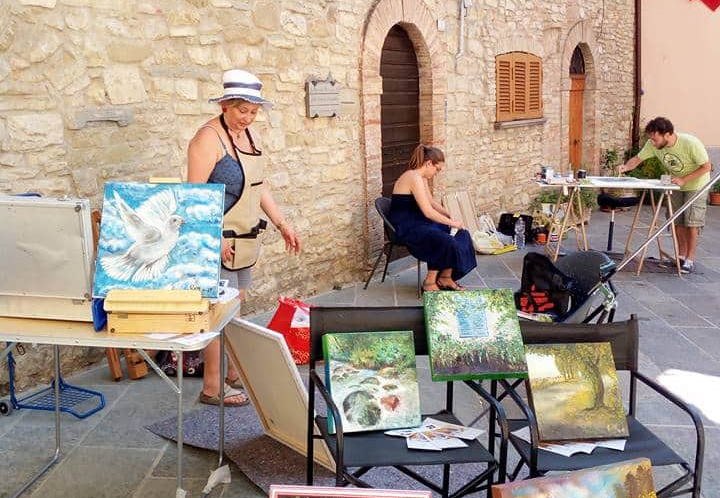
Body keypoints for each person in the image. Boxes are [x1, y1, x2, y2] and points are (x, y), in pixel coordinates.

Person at [187, 69, 301, 405]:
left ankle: (234, 372)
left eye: (253, 111)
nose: (247, 118)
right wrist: (214, 234)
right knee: (218, 310)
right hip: (216, 239)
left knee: (235, 306)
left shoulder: (250, 137)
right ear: (224, 105)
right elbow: (193, 195)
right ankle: (212, 387)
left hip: (244, 237)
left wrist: (281, 223)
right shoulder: (208, 139)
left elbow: (258, 185)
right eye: (242, 110)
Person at [618, 117, 711, 273]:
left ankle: (690, 259)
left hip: (696, 185)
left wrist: (684, 179)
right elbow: (638, 159)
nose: (653, 143)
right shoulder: (652, 144)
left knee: (692, 222)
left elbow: (707, 167)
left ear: (667, 134)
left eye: (655, 139)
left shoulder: (690, 143)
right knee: (676, 220)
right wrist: (625, 167)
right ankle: (680, 256)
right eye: (651, 139)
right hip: (675, 185)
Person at [388, 144, 477, 292]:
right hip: (405, 225)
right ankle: (429, 282)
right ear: (429, 163)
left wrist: (449, 215)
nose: (437, 173)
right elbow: (428, 212)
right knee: (444, 239)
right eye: (437, 169)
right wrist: (452, 222)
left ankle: (445, 277)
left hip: (419, 221)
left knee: (462, 234)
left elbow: (431, 202)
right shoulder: (413, 177)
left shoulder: (421, 178)